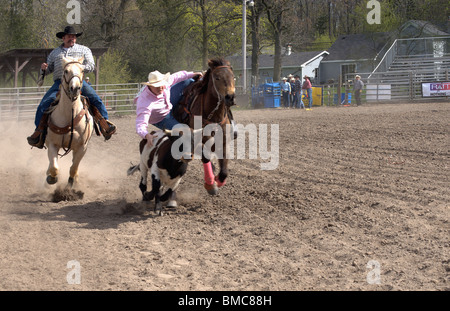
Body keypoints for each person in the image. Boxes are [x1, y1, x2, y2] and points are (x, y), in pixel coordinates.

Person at [27, 26, 116, 148]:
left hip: (79, 81)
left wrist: (77, 68)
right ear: (63, 38)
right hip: (59, 83)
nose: (72, 39)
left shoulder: (84, 50)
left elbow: (91, 65)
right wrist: (44, 68)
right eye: (69, 36)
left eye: (73, 37)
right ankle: (39, 132)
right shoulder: (55, 53)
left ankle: (104, 124)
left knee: (95, 98)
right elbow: (49, 70)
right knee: (43, 104)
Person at [135, 70, 203, 146]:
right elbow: (140, 123)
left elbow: (176, 77)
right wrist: (146, 135)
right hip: (162, 118)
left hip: (168, 102)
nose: (160, 88)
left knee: (188, 80)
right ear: (150, 86)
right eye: (157, 86)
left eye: (161, 84)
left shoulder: (164, 84)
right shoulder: (145, 103)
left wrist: (193, 74)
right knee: (185, 132)